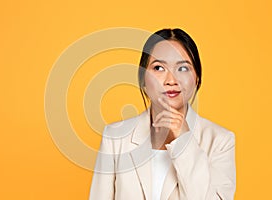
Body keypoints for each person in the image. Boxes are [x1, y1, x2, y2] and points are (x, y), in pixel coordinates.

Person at [89, 28, 236, 200]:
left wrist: (184, 141)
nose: (171, 80)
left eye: (182, 68)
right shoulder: (115, 138)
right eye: (159, 67)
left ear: (196, 78)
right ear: (143, 78)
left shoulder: (220, 140)